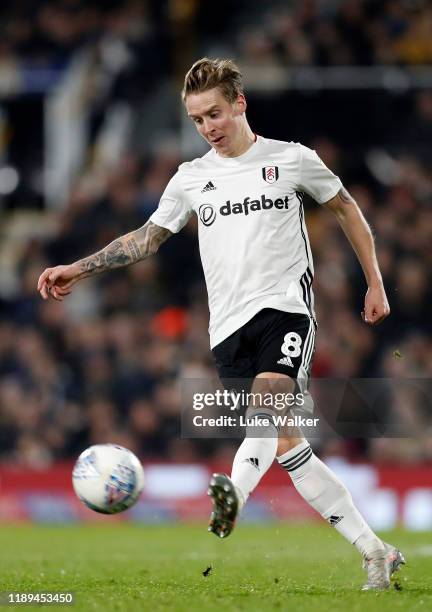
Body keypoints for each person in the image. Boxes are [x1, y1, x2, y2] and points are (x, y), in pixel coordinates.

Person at [38, 57, 404, 590]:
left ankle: (234, 496)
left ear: (240, 104)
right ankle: (377, 551)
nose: (208, 128)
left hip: (285, 308)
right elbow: (146, 239)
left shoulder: (292, 160)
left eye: (214, 114)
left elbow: (346, 208)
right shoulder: (192, 177)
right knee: (285, 444)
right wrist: (80, 266)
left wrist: (374, 280)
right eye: (196, 120)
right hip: (227, 330)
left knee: (267, 403)